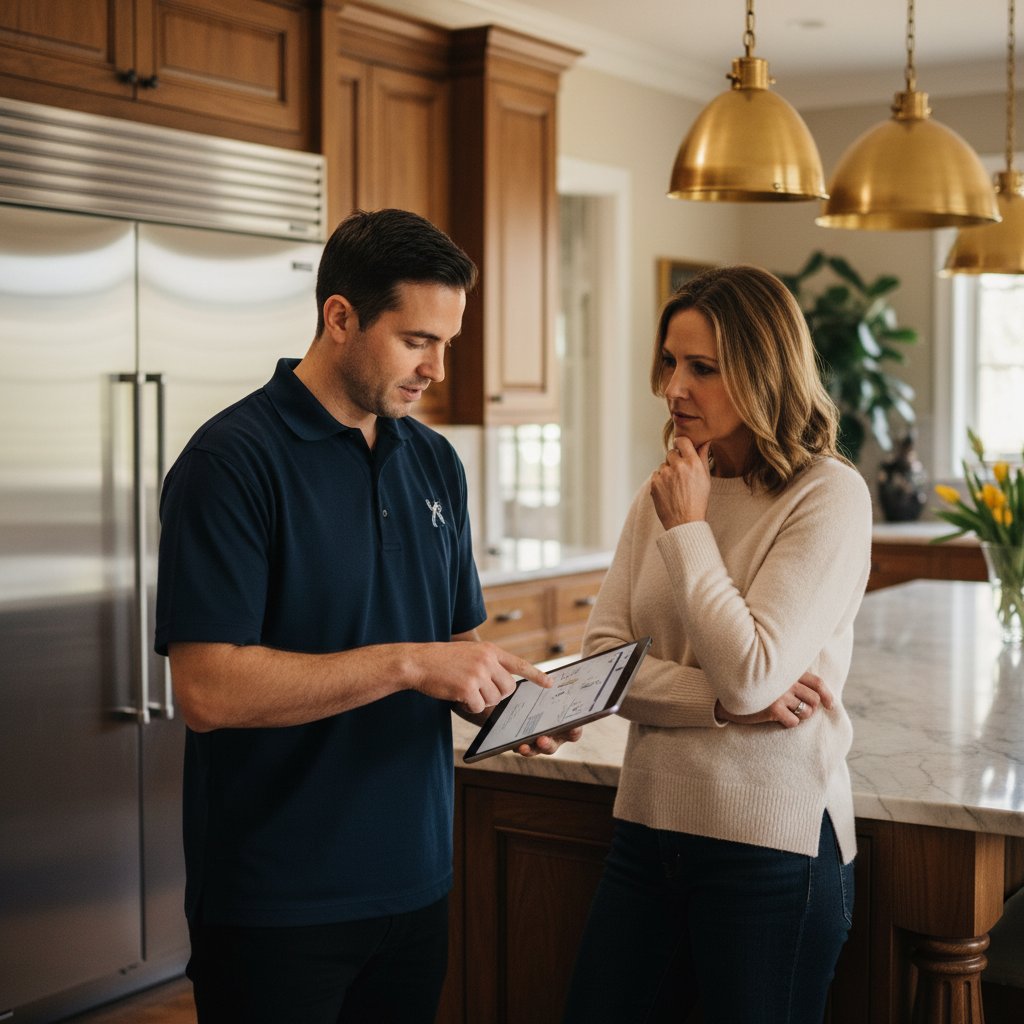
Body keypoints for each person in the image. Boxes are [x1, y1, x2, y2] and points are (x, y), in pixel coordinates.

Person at [155, 208, 578, 1024]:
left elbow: (450, 641)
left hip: (416, 877)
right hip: (277, 898)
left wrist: (505, 693)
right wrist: (412, 664)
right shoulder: (231, 463)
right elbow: (206, 690)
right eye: (418, 339)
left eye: (446, 343)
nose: (437, 368)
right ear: (339, 317)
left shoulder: (433, 461)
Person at [561, 264, 872, 1024]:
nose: (675, 386)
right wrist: (728, 708)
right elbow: (605, 667)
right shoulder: (663, 490)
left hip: (771, 850)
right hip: (646, 830)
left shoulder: (827, 496)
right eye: (671, 361)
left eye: (703, 367)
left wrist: (691, 532)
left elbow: (752, 672)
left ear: (765, 372)